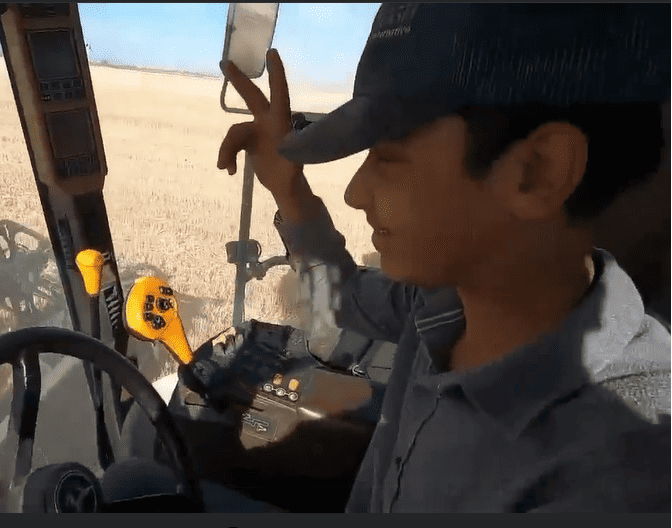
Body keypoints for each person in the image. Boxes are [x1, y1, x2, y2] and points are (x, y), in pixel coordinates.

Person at [216, 3, 670, 512]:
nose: (355, 191)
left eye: (387, 156)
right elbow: (339, 297)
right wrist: (291, 195)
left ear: (536, 171)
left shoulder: (621, 470)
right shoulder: (442, 303)